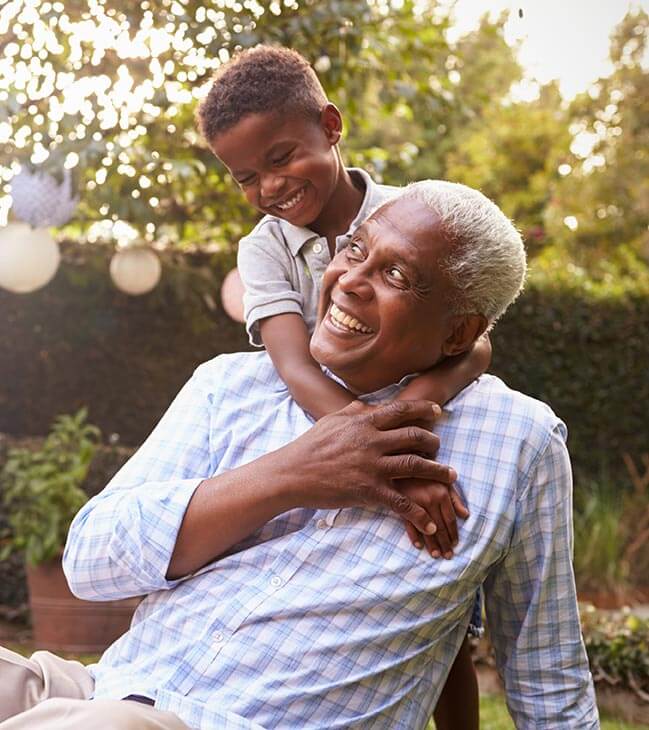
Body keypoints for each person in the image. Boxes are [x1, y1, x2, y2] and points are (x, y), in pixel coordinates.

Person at [0, 182, 599, 730]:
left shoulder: (520, 443)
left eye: (396, 275)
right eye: (356, 250)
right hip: (106, 687)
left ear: (458, 335)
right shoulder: (230, 385)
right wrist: (290, 475)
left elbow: (546, 672)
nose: (350, 280)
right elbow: (90, 564)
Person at [197, 47, 488, 725]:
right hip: (322, 438)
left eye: (280, 157)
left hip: (422, 433)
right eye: (245, 176)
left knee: (438, 620)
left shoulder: (414, 214)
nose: (269, 187)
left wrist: (414, 418)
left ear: (330, 125)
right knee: (348, 603)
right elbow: (295, 367)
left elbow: (476, 345)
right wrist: (377, 452)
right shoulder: (264, 249)